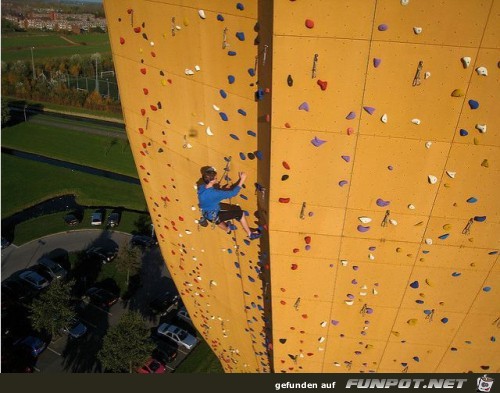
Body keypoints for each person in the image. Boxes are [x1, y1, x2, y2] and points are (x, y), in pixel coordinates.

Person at [197, 166, 261, 240]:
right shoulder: (215, 193)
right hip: (214, 213)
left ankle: (228, 230)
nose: (216, 179)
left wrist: (221, 189)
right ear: (211, 181)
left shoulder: (201, 187)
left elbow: (210, 193)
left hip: (207, 213)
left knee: (218, 221)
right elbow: (233, 193)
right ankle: (250, 234)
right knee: (240, 213)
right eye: (216, 178)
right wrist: (242, 179)